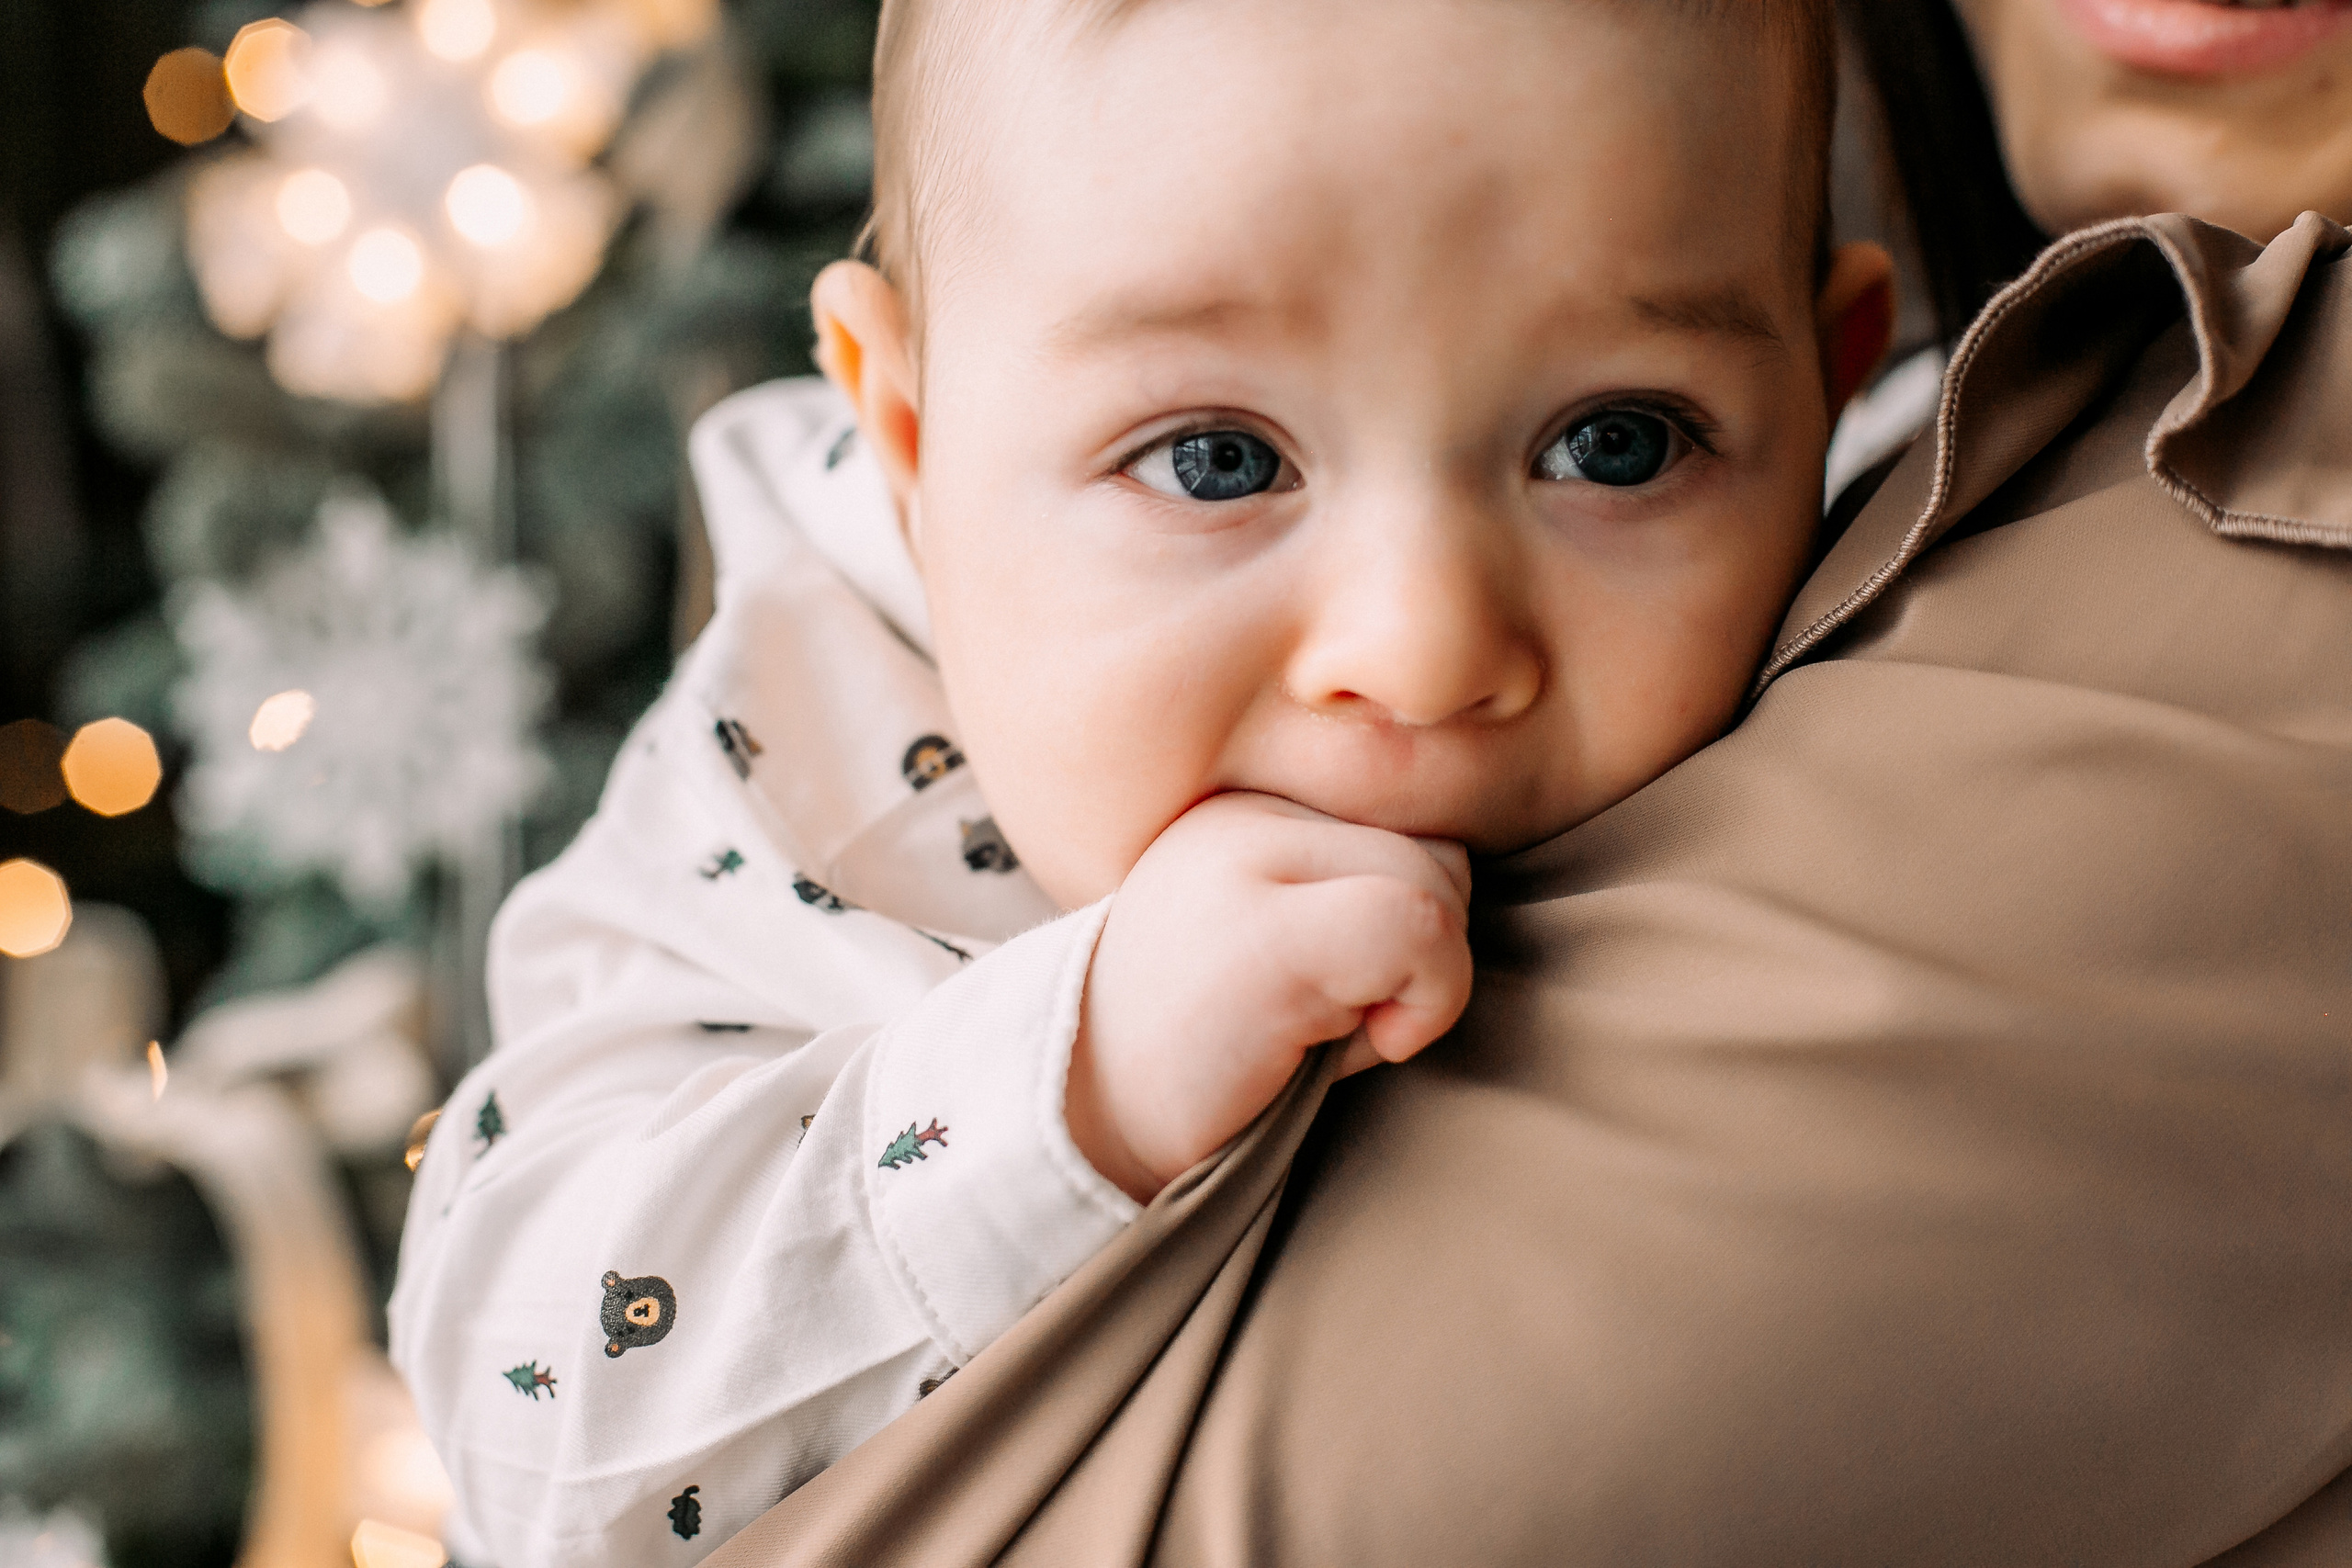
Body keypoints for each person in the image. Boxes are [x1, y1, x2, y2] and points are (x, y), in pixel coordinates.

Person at [387, 0, 1890, 1562]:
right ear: (909, 436)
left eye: (1619, 444)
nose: (1426, 649)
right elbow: (521, 1422)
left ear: (1829, 395)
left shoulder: (1928, 639)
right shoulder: (794, 784)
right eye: (1215, 461)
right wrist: (1072, 1084)